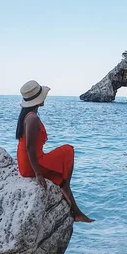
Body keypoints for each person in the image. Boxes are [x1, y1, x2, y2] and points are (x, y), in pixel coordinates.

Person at [16, 80, 94, 223]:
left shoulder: (27, 116)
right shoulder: (32, 118)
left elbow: (27, 147)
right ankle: (65, 187)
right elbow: (29, 147)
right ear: (38, 100)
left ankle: (75, 211)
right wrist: (38, 174)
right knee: (68, 150)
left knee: (63, 154)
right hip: (31, 164)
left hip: (25, 162)